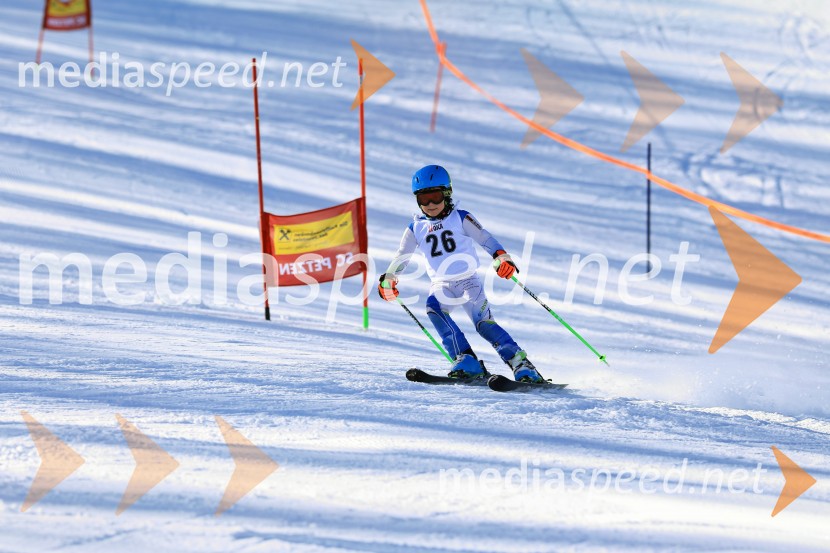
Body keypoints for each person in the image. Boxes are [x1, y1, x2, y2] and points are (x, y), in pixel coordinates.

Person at [378, 165, 543, 382]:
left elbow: (485, 238)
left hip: (468, 282)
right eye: (424, 199)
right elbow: (402, 256)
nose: (430, 205)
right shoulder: (415, 228)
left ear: (447, 194)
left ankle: (521, 364)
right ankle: (466, 359)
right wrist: (389, 278)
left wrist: (501, 257)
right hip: (441, 284)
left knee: (484, 325)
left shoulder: (460, 217)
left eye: (435, 197)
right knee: (434, 309)